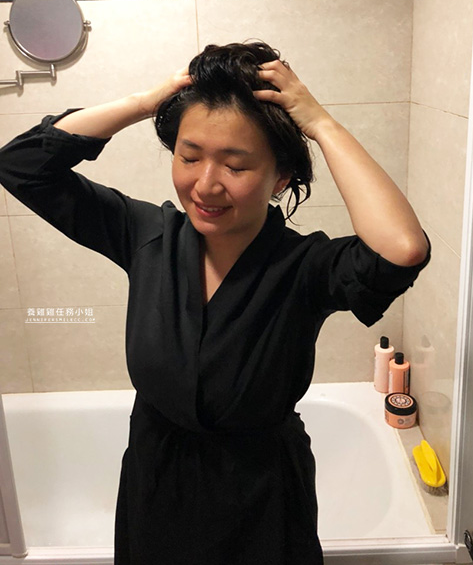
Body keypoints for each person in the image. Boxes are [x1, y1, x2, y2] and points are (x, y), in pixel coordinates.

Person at [0, 40, 430, 565]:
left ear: (280, 177)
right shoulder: (145, 236)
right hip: (156, 487)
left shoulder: (306, 267)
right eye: (189, 156)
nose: (205, 185)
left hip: (263, 501)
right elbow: (21, 165)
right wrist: (145, 102)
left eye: (235, 165)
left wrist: (320, 124)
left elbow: (402, 249)